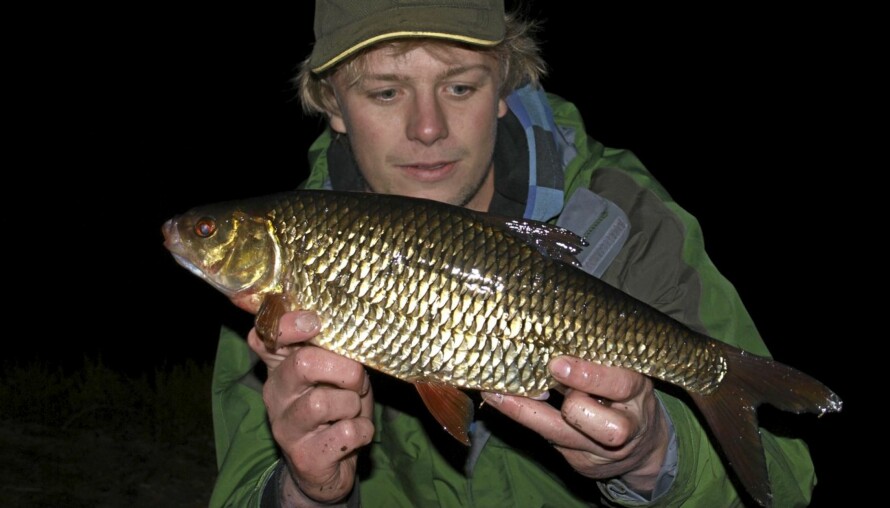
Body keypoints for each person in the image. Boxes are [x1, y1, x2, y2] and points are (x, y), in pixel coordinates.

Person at [208, 1, 818, 506]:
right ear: (334, 105)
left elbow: (787, 484)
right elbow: (239, 489)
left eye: (461, 86)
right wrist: (307, 492)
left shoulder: (622, 213)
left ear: (504, 86)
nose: (428, 127)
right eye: (387, 92)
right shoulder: (302, 254)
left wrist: (654, 457)